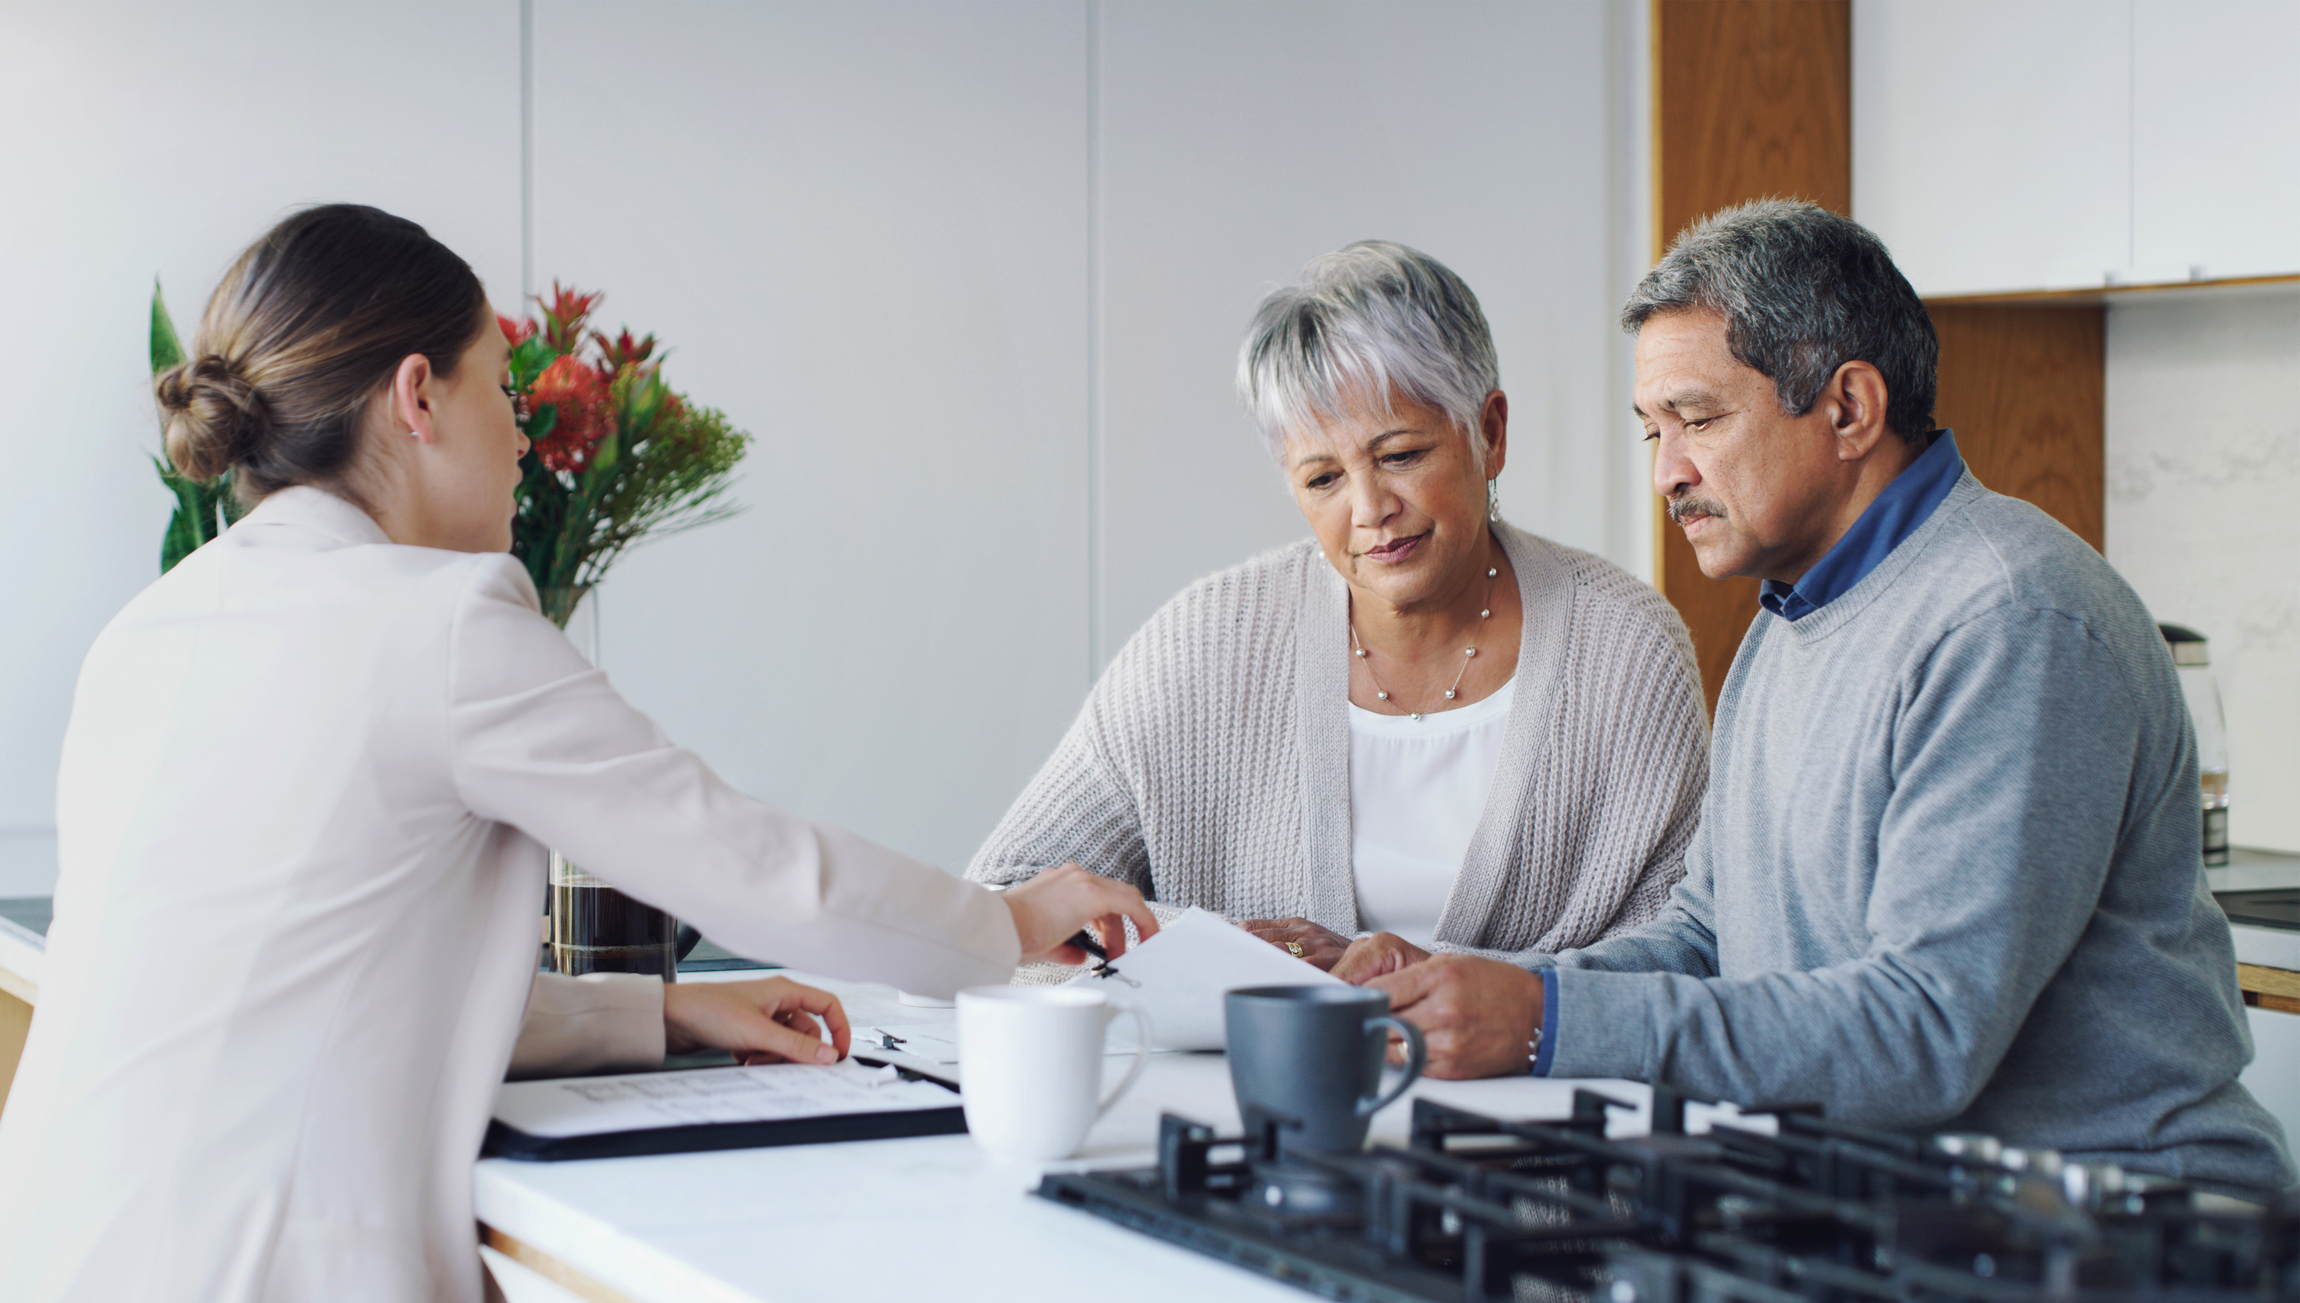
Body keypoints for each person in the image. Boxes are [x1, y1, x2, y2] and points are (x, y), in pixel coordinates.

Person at [0, 205, 1156, 1303]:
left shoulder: (147, 633)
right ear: (417, 396)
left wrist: (657, 1014)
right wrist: (1001, 924)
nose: (523, 434)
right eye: (500, 387)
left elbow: (326, 977)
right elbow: (751, 865)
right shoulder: (438, 622)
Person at [1336, 200, 2293, 1194]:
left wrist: (1543, 1024)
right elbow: (1708, 938)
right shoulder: (1790, 619)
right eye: (1652, 431)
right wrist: (1463, 986)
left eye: (1698, 419)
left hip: (2127, 1227)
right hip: (1918, 1214)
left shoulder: (2010, 619)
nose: (1668, 472)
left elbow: (1922, 1030)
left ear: (1846, 409)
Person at [969, 242, 1707, 977]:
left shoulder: (1627, 649)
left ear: (1489, 432)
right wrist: (1219, 949)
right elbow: (1003, 906)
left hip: (1530, 1092)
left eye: (1400, 455)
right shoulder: (1206, 644)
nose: (1370, 510)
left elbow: (1683, 960)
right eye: (1323, 478)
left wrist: (1423, 974)